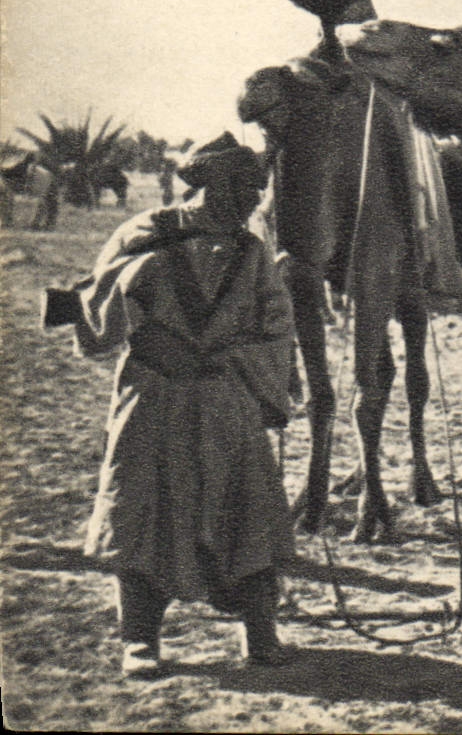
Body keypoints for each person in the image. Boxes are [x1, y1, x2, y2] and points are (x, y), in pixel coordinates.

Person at [48, 132, 299, 677]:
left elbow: (277, 327)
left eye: (258, 189)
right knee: (142, 511)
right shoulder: (143, 233)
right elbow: (94, 314)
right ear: (208, 182)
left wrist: (246, 365)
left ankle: (261, 634)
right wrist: (137, 297)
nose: (254, 199)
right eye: (244, 186)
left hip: (226, 398)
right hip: (154, 395)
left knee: (248, 512)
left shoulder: (253, 253)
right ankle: (140, 642)